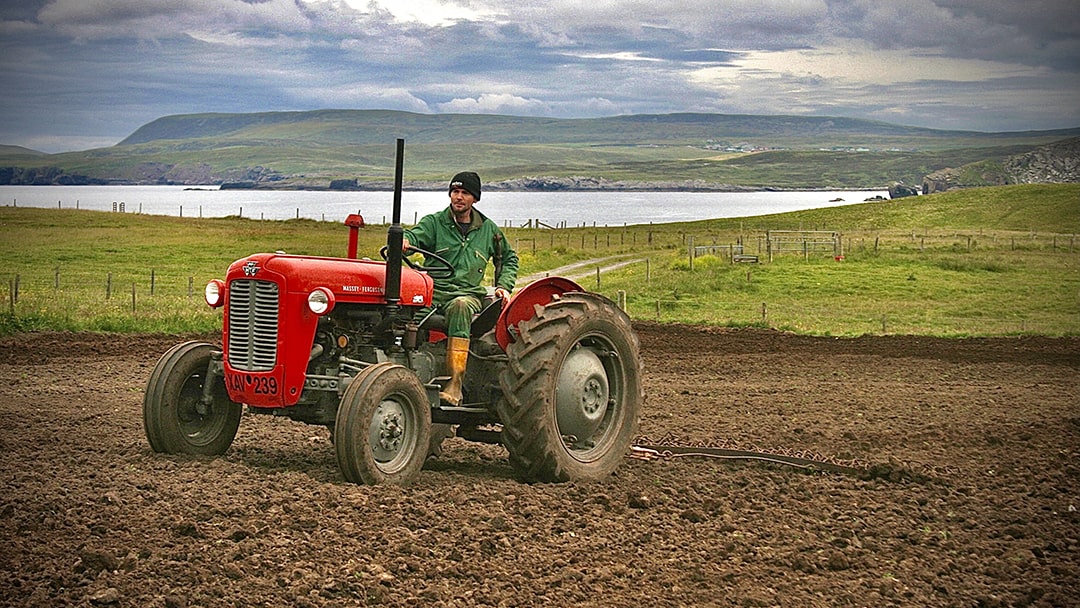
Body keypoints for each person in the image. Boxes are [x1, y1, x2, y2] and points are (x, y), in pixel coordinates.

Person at [402, 171, 519, 405]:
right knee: (404, 315)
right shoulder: (435, 222)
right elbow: (413, 235)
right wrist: (405, 242)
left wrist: (503, 286)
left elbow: (508, 258)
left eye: (465, 193)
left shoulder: (488, 230)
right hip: (435, 291)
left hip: (466, 294)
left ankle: (455, 384)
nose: (459, 197)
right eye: (455, 192)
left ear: (475, 198)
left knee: (460, 306)